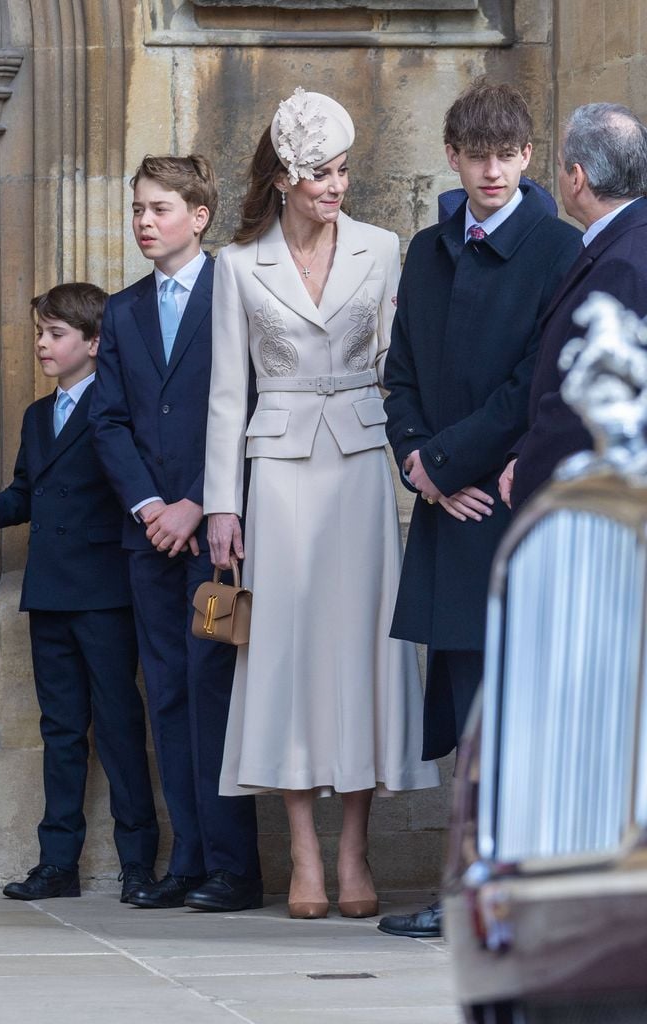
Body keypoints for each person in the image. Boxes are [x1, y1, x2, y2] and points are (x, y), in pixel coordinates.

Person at [204, 89, 439, 921]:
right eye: (321, 174)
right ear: (284, 179)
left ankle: (354, 853)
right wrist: (218, 507)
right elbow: (226, 395)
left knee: (363, 653)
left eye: (343, 170)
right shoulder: (236, 266)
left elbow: (400, 363)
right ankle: (304, 857)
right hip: (277, 472)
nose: (337, 186)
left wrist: (422, 458)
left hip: (362, 467)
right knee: (287, 657)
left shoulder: (384, 248)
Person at [378, 80, 582, 938]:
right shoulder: (425, 250)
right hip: (446, 509)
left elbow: (534, 381)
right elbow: (398, 376)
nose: (491, 171)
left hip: (511, 507)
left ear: (530, 156)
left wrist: (454, 460)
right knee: (468, 718)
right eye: (476, 155)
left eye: (507, 155)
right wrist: (420, 466)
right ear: (453, 158)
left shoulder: (560, 248)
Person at [90, 155, 261, 912]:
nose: (144, 221)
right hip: (149, 540)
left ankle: (234, 867)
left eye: (159, 208)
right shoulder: (122, 311)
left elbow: (252, 403)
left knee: (214, 690)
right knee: (165, 696)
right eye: (137, 210)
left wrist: (198, 502)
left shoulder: (239, 291)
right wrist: (151, 507)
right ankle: (186, 861)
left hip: (218, 539)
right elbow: (110, 420)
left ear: (199, 216)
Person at [0, 283, 159, 902]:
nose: (42, 343)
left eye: (56, 334)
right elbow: (27, 493)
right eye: (40, 332)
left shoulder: (118, 408)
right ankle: (57, 862)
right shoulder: (37, 417)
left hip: (105, 592)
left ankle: (138, 864)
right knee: (61, 729)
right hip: (50, 591)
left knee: (120, 728)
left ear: (94, 343)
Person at [500, 103, 647, 511]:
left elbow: (585, 400)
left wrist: (530, 471)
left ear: (577, 178)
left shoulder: (622, 263)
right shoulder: (623, 242)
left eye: (563, 165)